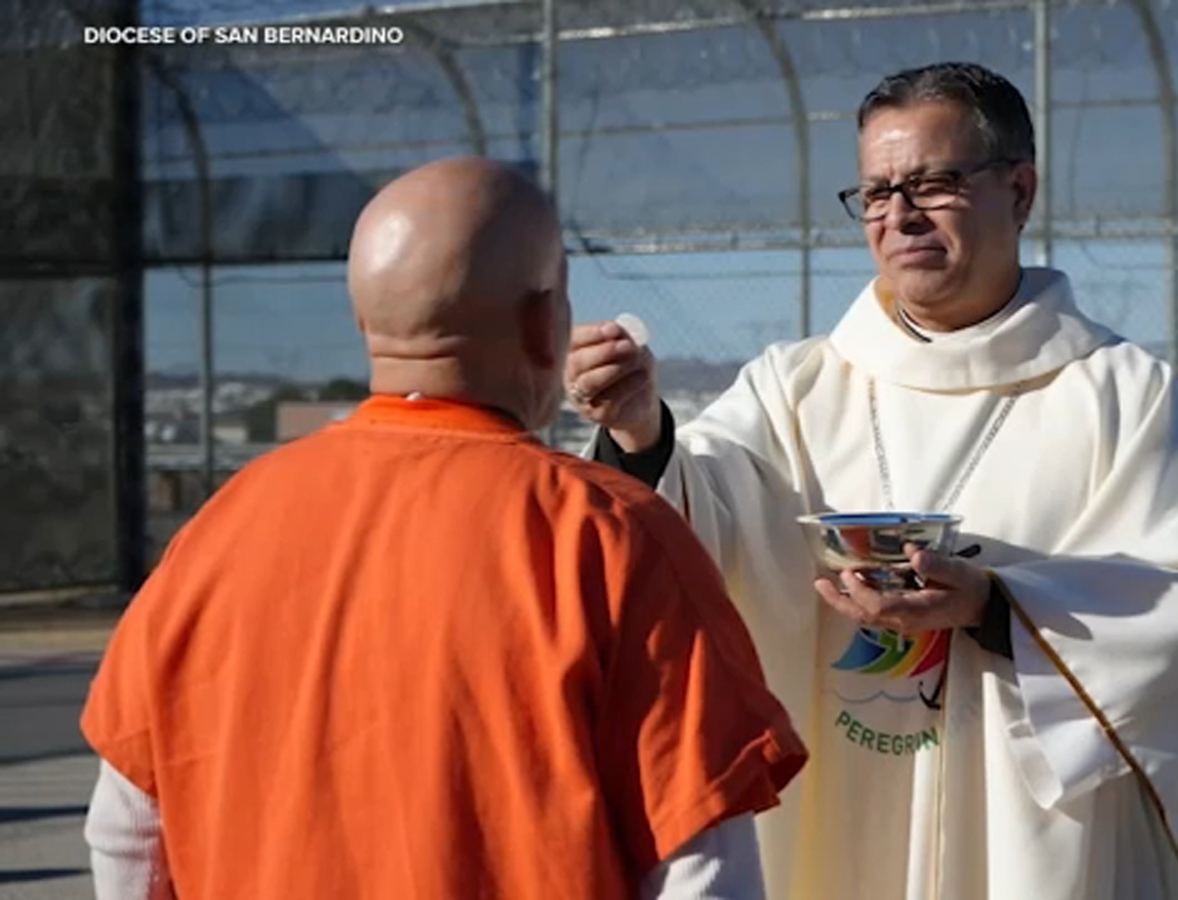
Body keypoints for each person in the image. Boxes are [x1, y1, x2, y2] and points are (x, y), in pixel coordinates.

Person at [565, 63, 1178, 899]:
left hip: (1021, 828)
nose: (899, 215)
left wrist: (998, 606)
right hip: (835, 805)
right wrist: (639, 428)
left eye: (934, 183)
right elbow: (701, 522)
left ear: (1021, 189)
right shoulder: (796, 387)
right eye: (877, 192)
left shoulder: (1119, 394)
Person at [79, 157, 807, 900]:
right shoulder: (614, 538)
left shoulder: (216, 532)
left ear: (366, 322)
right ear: (540, 322)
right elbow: (701, 873)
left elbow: (128, 829)